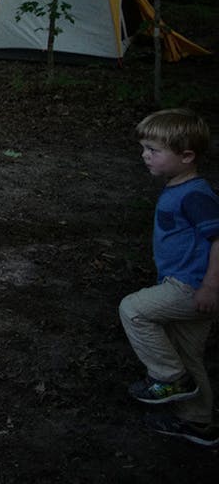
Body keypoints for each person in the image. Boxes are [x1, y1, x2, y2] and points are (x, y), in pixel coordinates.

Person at [119, 107, 219, 447]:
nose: (145, 156)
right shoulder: (178, 187)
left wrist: (210, 286)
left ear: (187, 156)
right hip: (188, 286)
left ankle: (167, 377)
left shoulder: (195, 195)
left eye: (154, 151)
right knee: (189, 357)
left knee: (133, 308)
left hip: (192, 288)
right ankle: (199, 423)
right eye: (144, 148)